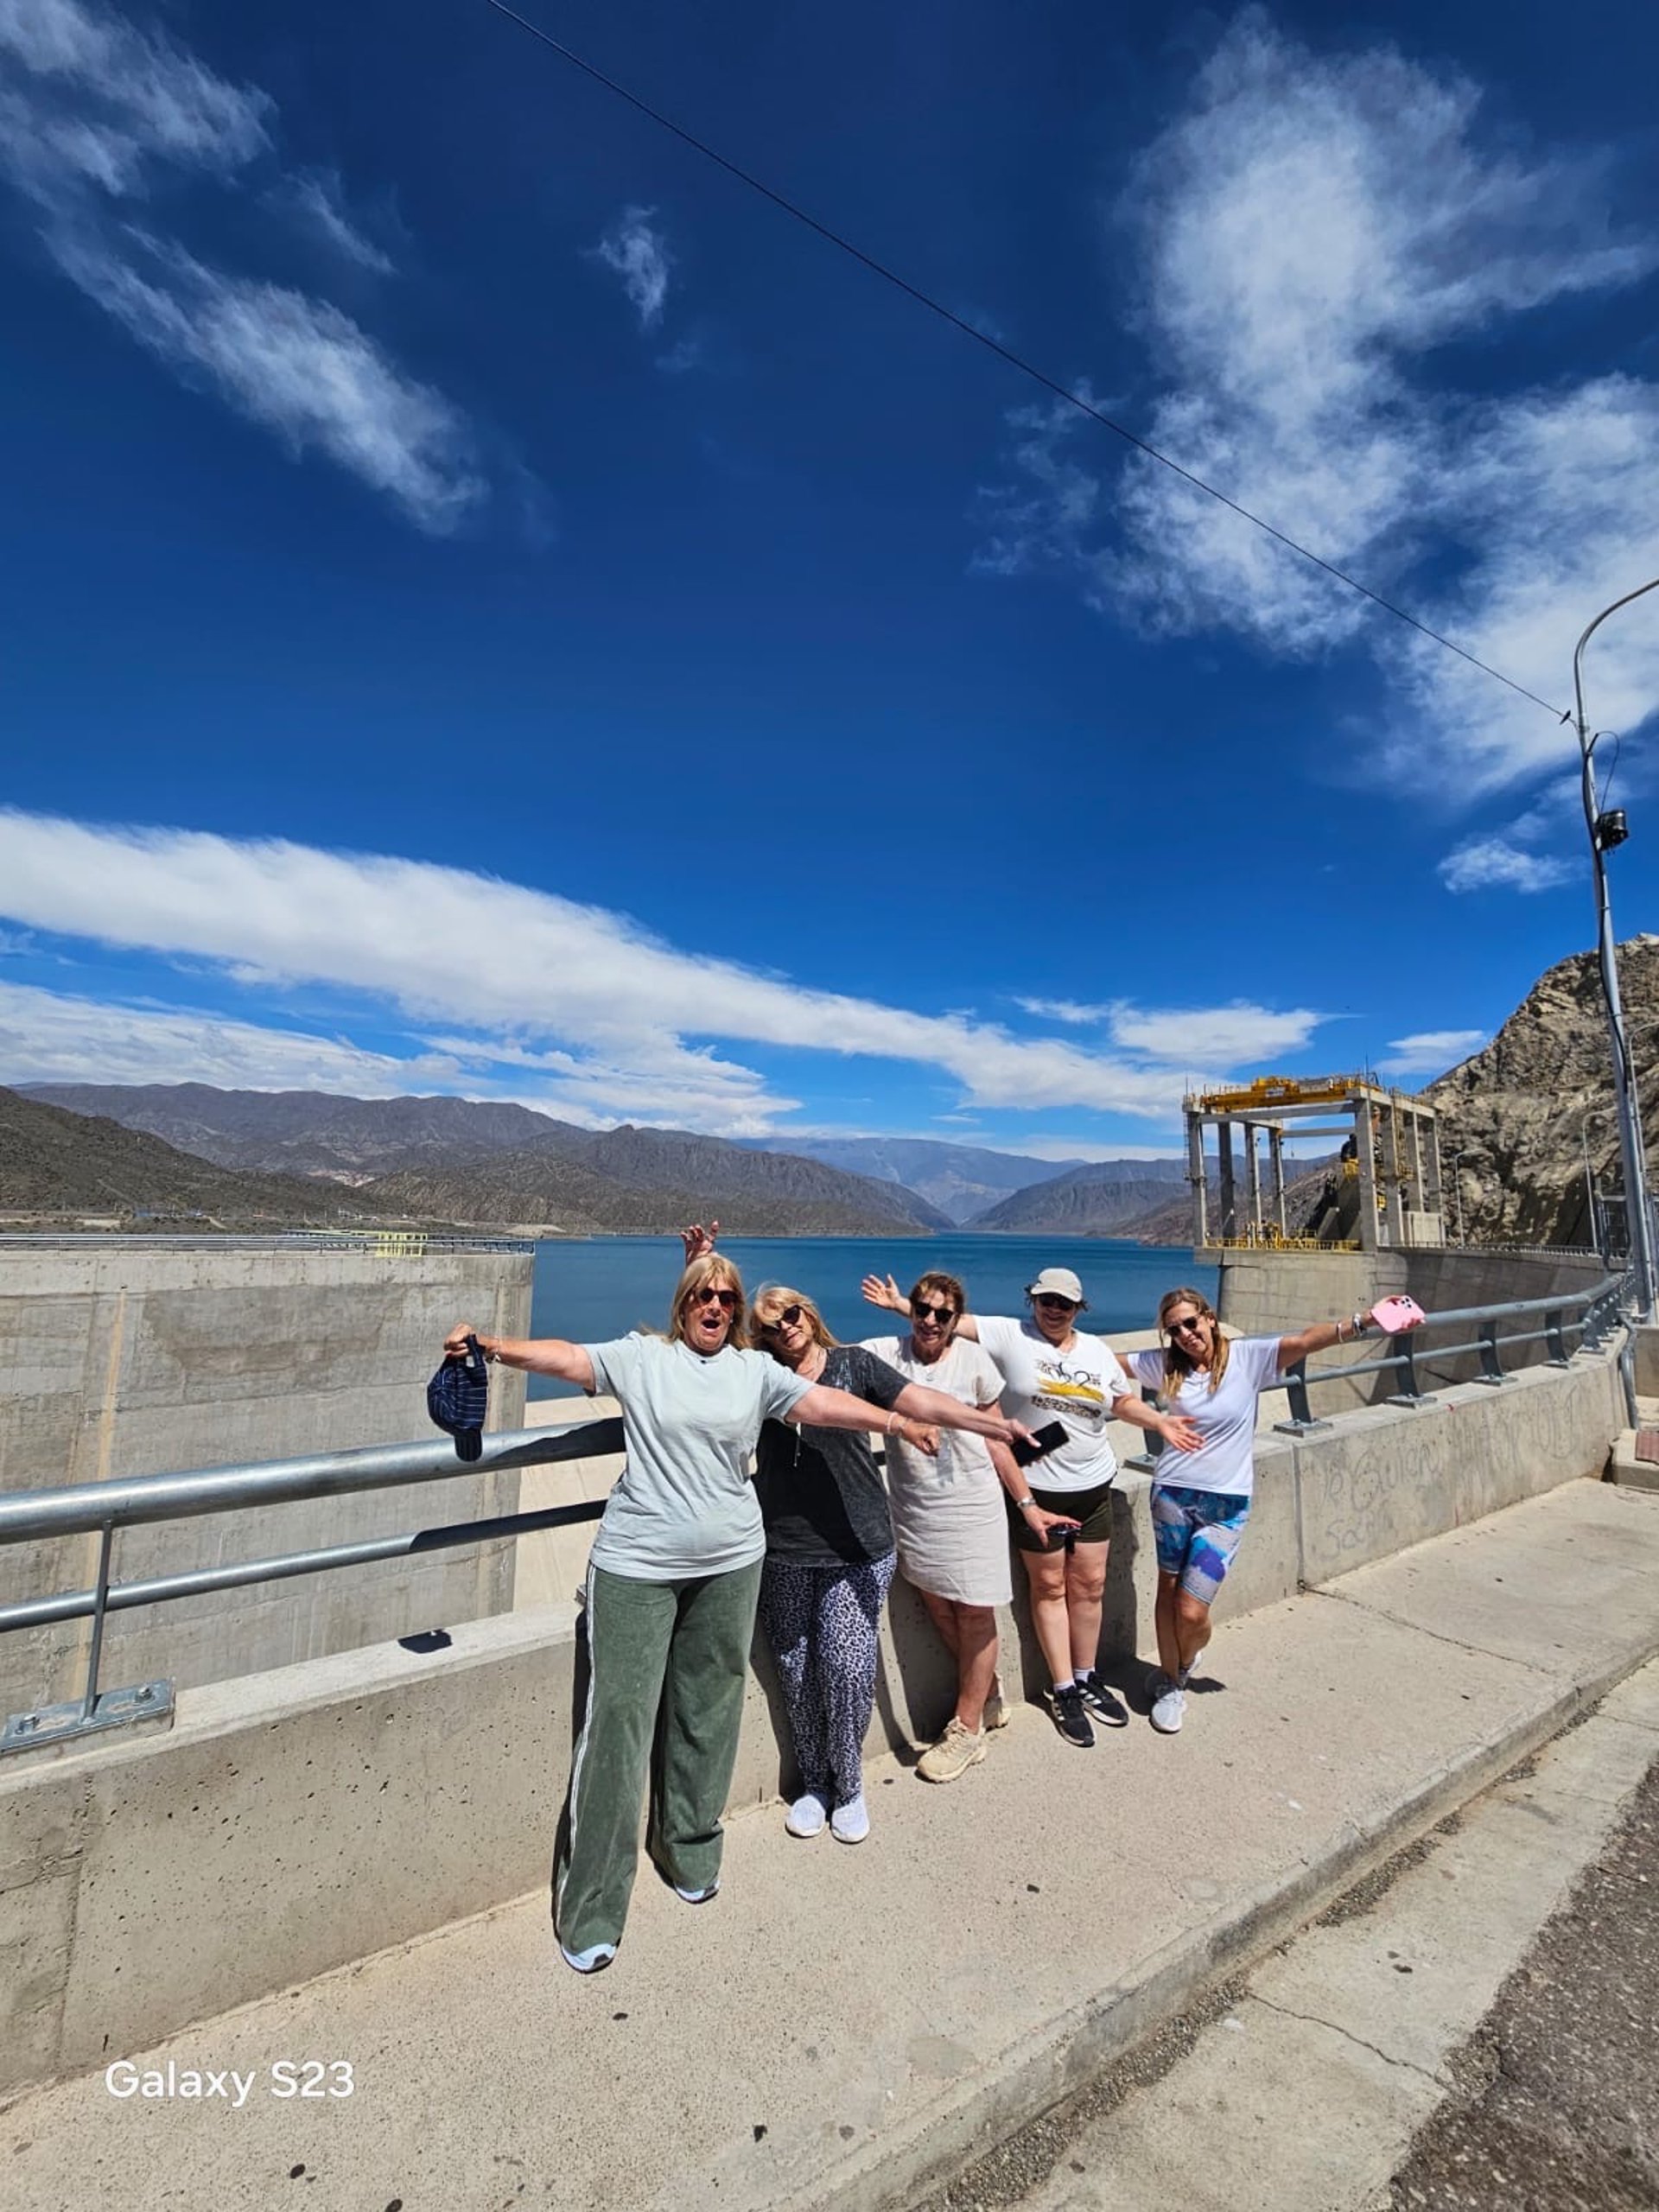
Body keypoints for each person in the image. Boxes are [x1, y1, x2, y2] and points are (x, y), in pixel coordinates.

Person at [442, 1247, 988, 1976]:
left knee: (709, 1709)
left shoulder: (753, 1371)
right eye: (705, 1294)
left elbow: (824, 1403)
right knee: (618, 1729)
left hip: (733, 1562)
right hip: (638, 1568)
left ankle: (690, 1848)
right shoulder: (642, 1357)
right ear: (683, 1303)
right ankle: (593, 1904)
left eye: (729, 1299)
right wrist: (492, 1347)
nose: (718, 1307)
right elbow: (570, 1359)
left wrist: (895, 1426)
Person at [682, 1229, 1039, 1839]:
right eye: (770, 1325)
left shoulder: (853, 1364)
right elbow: (703, 1340)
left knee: (846, 1669)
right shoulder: (759, 1374)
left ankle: (848, 1786)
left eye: (790, 1315)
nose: (783, 1329)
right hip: (786, 1551)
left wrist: (989, 1427)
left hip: (858, 1547)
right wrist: (696, 1266)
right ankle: (816, 1785)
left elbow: (921, 1399)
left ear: (809, 1314)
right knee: (795, 1671)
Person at [862, 1264, 1197, 1748]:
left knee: (1091, 1585)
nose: (1053, 1309)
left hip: (1093, 1482)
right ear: (1033, 1300)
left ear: (1078, 1308)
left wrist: (1160, 1423)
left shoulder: (1096, 1351)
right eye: (1045, 1300)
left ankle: (1086, 1677)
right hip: (1034, 1486)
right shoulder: (1009, 1334)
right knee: (1049, 1586)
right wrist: (902, 1305)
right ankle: (1063, 1689)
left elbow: (1121, 1403)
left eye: (1064, 1303)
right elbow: (950, 1320)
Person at [1119, 1287, 1421, 1736]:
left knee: (1192, 1613)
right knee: (1167, 1591)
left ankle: (1186, 1654)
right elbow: (1103, 1362)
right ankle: (1172, 1682)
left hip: (1226, 1506)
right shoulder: (1166, 1366)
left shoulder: (1246, 1359)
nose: (1184, 1334)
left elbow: (1303, 1342)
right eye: (1174, 1329)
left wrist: (1365, 1322)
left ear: (1210, 1318)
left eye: (1191, 1323)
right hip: (1172, 1495)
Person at [858, 1268, 1058, 1783]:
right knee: (934, 1600)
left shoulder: (973, 1361)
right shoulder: (888, 1352)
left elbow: (996, 1439)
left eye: (942, 1313)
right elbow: (825, 1355)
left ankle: (966, 1730)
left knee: (973, 1612)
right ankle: (987, 1694)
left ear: (955, 1319)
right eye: (921, 1309)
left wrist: (1027, 1503)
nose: (929, 1319)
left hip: (971, 1506)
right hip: (916, 1509)